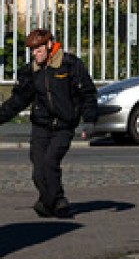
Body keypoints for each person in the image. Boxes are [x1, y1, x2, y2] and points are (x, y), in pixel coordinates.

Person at [0, 28, 98, 219]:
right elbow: (18, 100)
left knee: (50, 162)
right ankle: (54, 201)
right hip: (41, 125)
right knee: (38, 171)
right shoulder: (31, 71)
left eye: (38, 50)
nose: (34, 55)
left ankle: (53, 202)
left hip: (64, 125)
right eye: (32, 51)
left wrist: (90, 121)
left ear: (49, 45)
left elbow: (87, 93)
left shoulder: (70, 65)